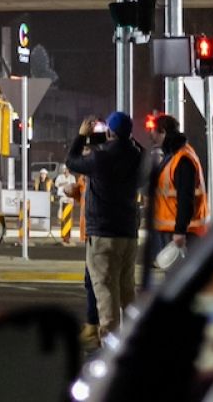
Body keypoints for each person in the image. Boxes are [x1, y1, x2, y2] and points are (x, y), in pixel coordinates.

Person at [65, 111, 144, 339]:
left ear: (109, 132)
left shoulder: (101, 159)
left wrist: (81, 137)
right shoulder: (136, 158)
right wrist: (128, 140)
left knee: (105, 288)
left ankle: (110, 340)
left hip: (103, 234)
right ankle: (132, 338)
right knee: (127, 288)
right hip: (128, 233)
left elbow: (72, 161)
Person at [145, 114, 206, 275]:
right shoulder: (174, 155)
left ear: (163, 132)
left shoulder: (182, 159)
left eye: (154, 132)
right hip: (175, 229)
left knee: (181, 278)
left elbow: (186, 197)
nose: (151, 136)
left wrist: (180, 231)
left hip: (184, 232)